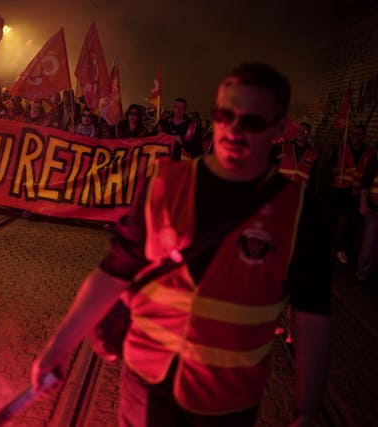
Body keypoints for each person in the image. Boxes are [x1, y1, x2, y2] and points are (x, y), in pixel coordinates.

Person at [32, 63, 331, 427]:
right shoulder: (165, 183)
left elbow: (312, 316)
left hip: (226, 399)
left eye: (252, 122)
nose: (234, 130)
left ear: (279, 129)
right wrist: (59, 346)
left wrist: (307, 410)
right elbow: (115, 270)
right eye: (225, 115)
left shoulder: (300, 211)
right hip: (147, 381)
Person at [329, 123, 376, 264]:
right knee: (335, 221)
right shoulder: (341, 149)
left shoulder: (370, 152)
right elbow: (328, 168)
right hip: (339, 190)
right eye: (353, 133)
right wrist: (337, 169)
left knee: (352, 222)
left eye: (359, 134)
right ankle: (332, 246)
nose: (356, 136)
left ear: (364, 135)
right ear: (349, 134)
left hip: (357, 193)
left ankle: (342, 249)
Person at [357, 153, 378, 288]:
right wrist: (363, 202)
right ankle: (362, 276)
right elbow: (365, 182)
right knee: (368, 248)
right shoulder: (375, 161)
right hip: (374, 209)